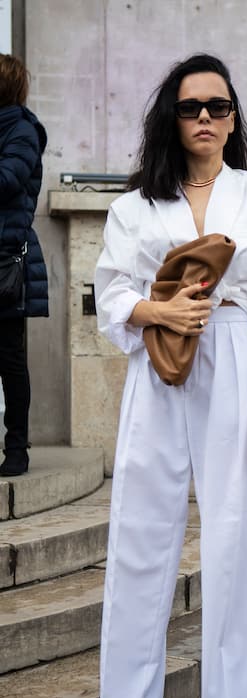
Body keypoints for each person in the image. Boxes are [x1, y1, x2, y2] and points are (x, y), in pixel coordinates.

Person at [86, 53, 247, 698]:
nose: (204, 118)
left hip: (237, 356)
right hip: (159, 364)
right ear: (171, 120)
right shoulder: (134, 206)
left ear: (234, 117)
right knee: (140, 531)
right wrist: (158, 308)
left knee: (236, 539)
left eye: (217, 106)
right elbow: (111, 295)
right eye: (190, 107)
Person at [0, 54, 48, 477]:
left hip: (5, 265)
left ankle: (17, 447)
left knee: (9, 359)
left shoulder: (22, 131)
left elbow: (7, 182)